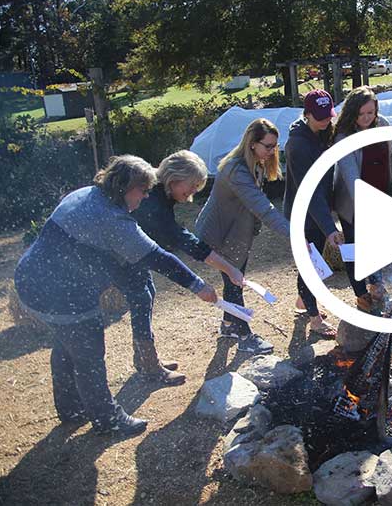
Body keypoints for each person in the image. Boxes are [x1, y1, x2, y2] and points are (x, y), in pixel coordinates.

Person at [14, 155, 217, 436]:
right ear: (125, 187)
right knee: (89, 354)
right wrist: (198, 285)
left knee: (66, 343)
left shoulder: (85, 194)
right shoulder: (112, 220)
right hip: (58, 292)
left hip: (31, 281)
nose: (146, 197)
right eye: (143, 191)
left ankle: (70, 408)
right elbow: (158, 257)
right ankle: (108, 419)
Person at [126, 150, 244, 384]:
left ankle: (145, 360)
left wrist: (228, 268)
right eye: (191, 186)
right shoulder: (154, 202)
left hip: (133, 253)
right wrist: (227, 269)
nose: (193, 192)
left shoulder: (160, 194)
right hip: (125, 255)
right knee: (141, 298)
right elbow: (182, 240)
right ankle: (149, 367)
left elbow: (181, 238)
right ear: (174, 178)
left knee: (146, 295)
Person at [196, 119, 290, 353]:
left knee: (234, 280)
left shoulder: (255, 163)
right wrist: (295, 236)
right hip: (220, 235)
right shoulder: (236, 169)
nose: (272, 151)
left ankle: (229, 325)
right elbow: (263, 209)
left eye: (274, 146)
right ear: (252, 143)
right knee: (234, 283)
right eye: (268, 146)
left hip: (235, 234)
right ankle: (245, 336)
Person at [283, 89, 345, 337]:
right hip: (304, 211)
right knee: (309, 264)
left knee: (315, 258)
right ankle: (315, 319)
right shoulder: (297, 145)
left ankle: (303, 301)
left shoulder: (322, 132)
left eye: (328, 115)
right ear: (306, 114)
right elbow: (310, 192)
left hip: (319, 207)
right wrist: (329, 228)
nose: (326, 120)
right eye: (319, 117)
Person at [331, 86, 392, 310]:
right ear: (352, 113)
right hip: (354, 204)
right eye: (362, 114)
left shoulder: (383, 125)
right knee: (355, 249)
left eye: (371, 112)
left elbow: (391, 158)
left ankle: (377, 284)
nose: (367, 118)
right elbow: (350, 176)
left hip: (382, 194)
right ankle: (361, 293)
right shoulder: (343, 136)